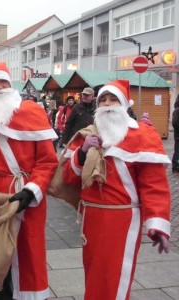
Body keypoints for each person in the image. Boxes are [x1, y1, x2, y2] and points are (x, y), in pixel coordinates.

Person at [62, 79, 171, 300]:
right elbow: (69, 178)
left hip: (122, 220)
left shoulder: (143, 135)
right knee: (94, 274)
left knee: (115, 276)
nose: (108, 104)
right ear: (97, 105)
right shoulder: (87, 134)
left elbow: (154, 185)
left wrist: (157, 224)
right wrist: (82, 152)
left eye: (114, 100)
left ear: (124, 105)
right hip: (90, 218)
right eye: (103, 100)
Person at [0, 62, 58, 300]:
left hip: (29, 195)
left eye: (3, 83)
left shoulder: (33, 113)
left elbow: (47, 161)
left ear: (11, 86)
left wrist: (32, 191)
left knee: (29, 253)